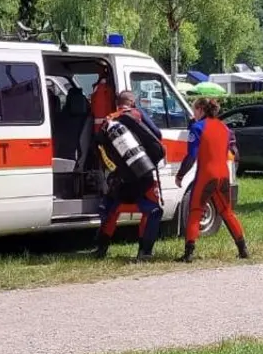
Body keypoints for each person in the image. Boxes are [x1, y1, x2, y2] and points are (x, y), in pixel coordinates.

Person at [93, 90, 166, 261]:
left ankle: (101, 250)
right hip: (142, 177)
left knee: (112, 210)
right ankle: (144, 252)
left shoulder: (109, 121)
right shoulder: (136, 114)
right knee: (154, 211)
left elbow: (100, 148)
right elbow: (157, 135)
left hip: (120, 180)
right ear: (132, 102)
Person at [175, 96, 248, 262]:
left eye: (194, 109)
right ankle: (243, 249)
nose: (193, 113)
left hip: (206, 175)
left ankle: (189, 253)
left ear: (201, 109)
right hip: (223, 175)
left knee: (195, 211)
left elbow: (192, 155)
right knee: (226, 211)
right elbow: (233, 151)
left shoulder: (197, 127)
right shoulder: (225, 128)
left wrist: (180, 175)